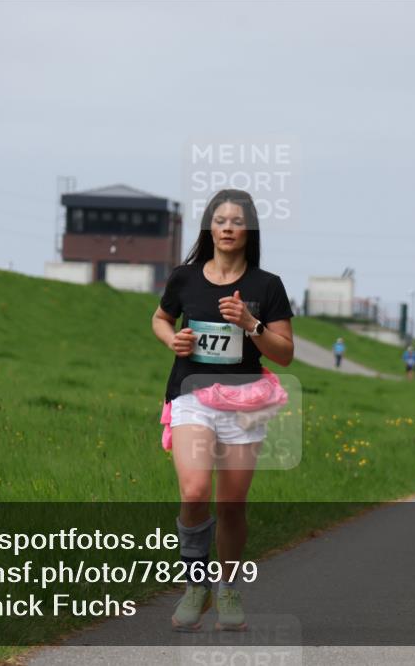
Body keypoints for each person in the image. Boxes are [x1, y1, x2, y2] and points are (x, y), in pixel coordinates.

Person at [151, 189, 294, 632]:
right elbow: (160, 319)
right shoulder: (184, 277)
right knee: (194, 493)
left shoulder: (266, 286)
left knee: (232, 504)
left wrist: (250, 325)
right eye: (220, 220)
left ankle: (228, 591)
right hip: (191, 395)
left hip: (243, 402)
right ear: (209, 228)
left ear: (249, 230)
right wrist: (170, 340)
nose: (228, 227)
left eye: (237, 221)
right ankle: (196, 587)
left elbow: (285, 353)